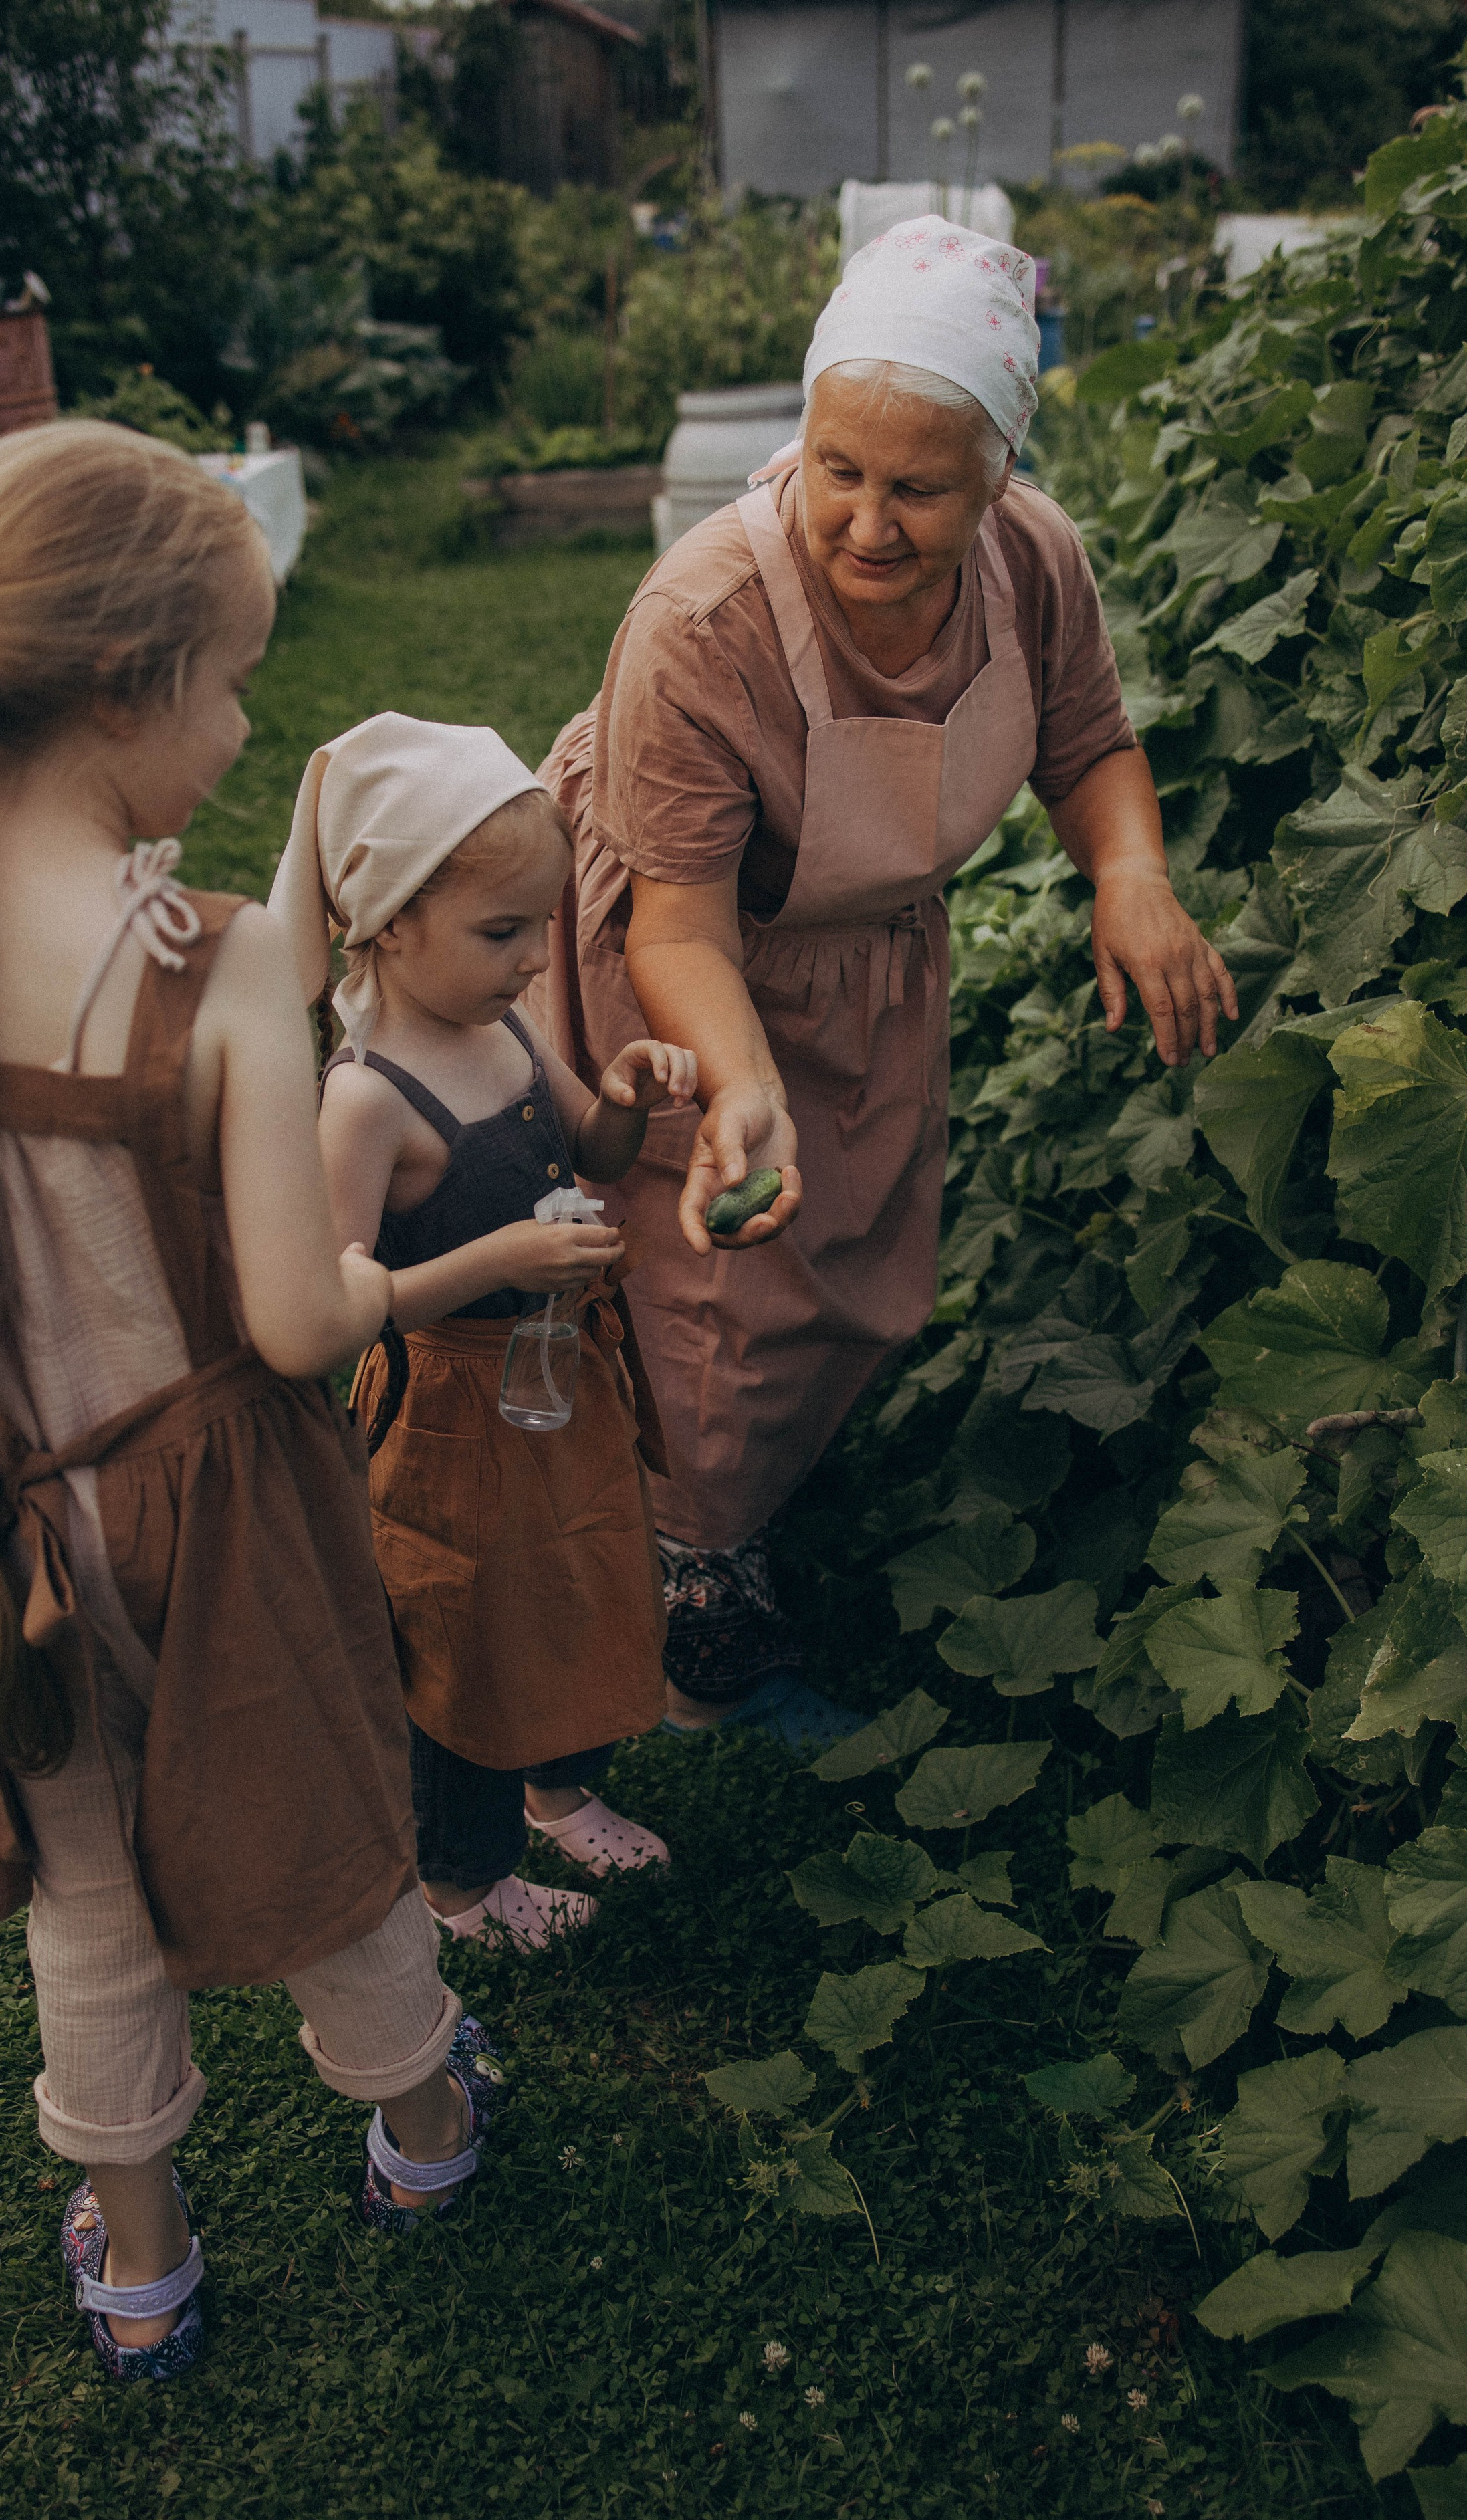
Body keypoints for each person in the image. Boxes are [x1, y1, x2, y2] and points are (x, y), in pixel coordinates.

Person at [0, 423, 503, 2386]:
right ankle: (424, 2134)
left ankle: (145, 2270)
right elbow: (287, 1328)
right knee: (329, 1821)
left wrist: (0, 1338)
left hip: (4, 1506)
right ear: (124, 686)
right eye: (238, 677)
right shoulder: (232, 964)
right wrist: (378, 1278)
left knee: (80, 1889)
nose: (251, 728)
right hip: (223, 1513)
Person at [528, 214, 1238, 1743]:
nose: (863, 521)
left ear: (998, 474)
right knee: (701, 1274)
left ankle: (746, 1500)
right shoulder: (700, 620)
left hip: (866, 956)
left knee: (841, 1251)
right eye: (837, 468)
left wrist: (1130, 876)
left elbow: (1087, 745)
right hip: (685, 964)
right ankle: (693, 1613)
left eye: (916, 485)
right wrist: (741, 1078)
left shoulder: (1032, 563)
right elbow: (676, 926)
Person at [269, 714, 691, 1948]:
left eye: (535, 929)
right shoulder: (364, 1102)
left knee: (578, 1584)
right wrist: (497, 1260)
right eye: (500, 932)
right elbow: (338, 1301)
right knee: (463, 1631)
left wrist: (621, 1096)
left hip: (557, 1383)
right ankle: (462, 1880)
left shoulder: (507, 1030)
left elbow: (596, 1148)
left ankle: (559, 1791)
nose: (526, 960)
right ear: (389, 920)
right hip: (448, 1413)